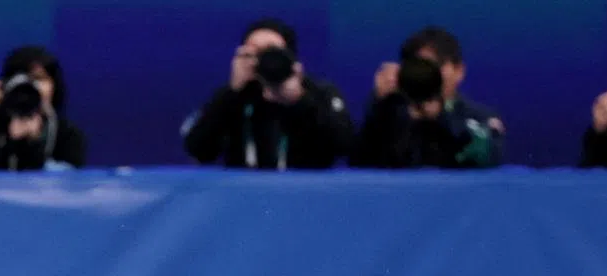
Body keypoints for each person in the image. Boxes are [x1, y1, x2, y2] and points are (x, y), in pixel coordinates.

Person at [181, 18, 353, 170]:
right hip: (243, 197)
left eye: (271, 52)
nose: (263, 59)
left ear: (290, 57)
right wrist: (231, 93)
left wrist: (299, 101)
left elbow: (345, 146)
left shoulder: (317, 92)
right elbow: (198, 150)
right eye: (254, 52)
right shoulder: (233, 97)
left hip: (305, 195)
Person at [351, 26, 504, 169]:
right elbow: (359, 163)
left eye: (435, 65)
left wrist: (441, 116)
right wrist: (379, 103)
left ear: (459, 71)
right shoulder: (391, 113)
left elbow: (487, 158)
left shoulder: (477, 116)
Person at [0, 46, 87, 171]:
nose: (30, 86)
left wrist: (31, 144)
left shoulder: (67, 134)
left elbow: (66, 182)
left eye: (38, 79)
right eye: (22, 79)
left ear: (54, 86)